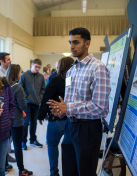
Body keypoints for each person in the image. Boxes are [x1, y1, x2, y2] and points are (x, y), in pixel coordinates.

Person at [47, 27, 110, 176]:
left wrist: (68, 108)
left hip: (88, 129)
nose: (72, 46)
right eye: (70, 42)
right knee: (68, 171)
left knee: (85, 172)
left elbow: (100, 108)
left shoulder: (98, 68)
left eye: (76, 42)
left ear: (87, 43)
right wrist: (62, 110)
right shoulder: (71, 70)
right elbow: (69, 102)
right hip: (69, 126)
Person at [38, 57, 74, 176]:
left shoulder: (55, 80)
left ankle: (54, 172)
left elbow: (46, 98)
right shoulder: (76, 80)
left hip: (57, 119)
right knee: (70, 147)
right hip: (72, 119)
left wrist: (41, 115)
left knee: (52, 144)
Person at [6, 64, 33, 176]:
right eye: (20, 72)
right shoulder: (18, 87)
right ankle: (21, 170)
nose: (21, 74)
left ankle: (5, 166)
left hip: (4, 120)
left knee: (4, 144)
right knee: (17, 146)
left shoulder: (3, 85)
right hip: (16, 121)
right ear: (16, 74)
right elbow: (23, 106)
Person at [19, 58, 45, 150]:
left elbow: (43, 89)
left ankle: (33, 140)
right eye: (36, 66)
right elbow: (20, 86)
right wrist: (26, 97)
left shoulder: (41, 77)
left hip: (36, 103)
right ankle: (23, 142)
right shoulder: (24, 75)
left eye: (39, 67)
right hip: (27, 103)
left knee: (34, 123)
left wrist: (40, 98)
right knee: (25, 123)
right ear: (32, 65)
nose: (37, 69)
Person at [0, 52, 16, 166]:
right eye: (8, 59)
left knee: (9, 132)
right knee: (5, 132)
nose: (10, 61)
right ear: (2, 62)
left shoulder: (8, 72)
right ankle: (5, 154)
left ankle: (7, 150)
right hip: (2, 107)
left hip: (10, 105)